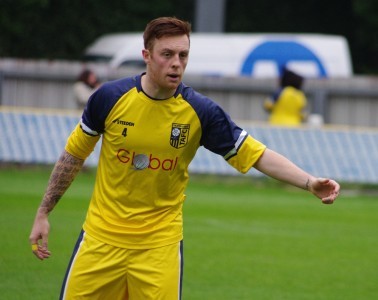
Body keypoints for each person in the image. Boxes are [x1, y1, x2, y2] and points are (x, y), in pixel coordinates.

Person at [29, 17, 340, 300]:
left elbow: (255, 154)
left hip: (159, 249)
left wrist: (309, 182)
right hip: (99, 241)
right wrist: (44, 212)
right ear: (147, 56)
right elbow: (74, 155)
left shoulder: (201, 112)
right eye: (167, 54)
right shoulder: (109, 99)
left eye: (183, 55)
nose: (176, 64)